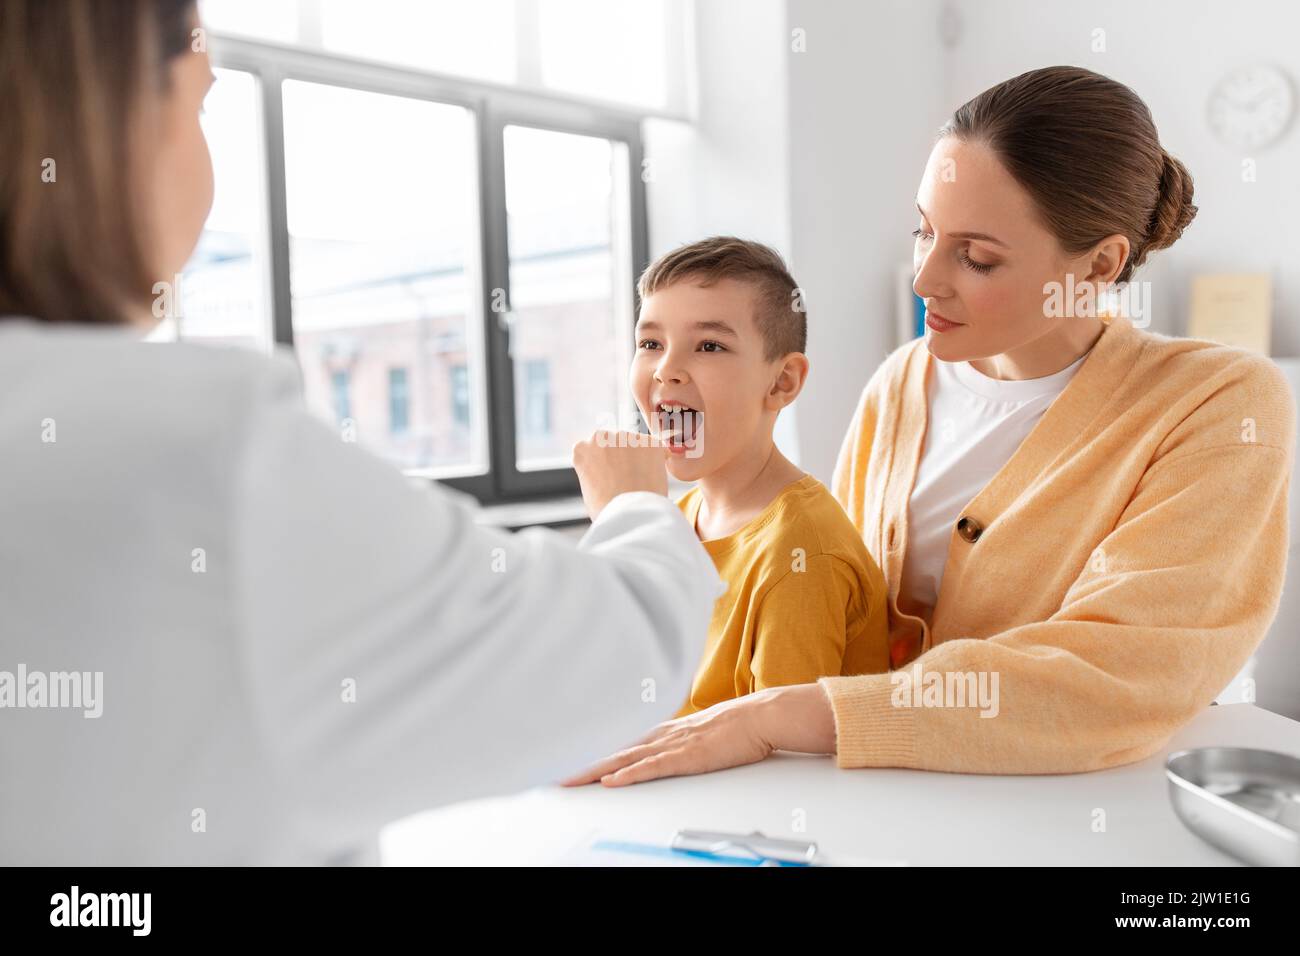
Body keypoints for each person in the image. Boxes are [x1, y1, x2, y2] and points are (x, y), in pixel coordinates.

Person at [0, 0, 721, 864]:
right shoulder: (210, 463)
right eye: (197, 107)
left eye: (709, 344)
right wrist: (639, 512)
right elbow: (627, 652)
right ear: (115, 125)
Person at [565, 65, 1295, 788]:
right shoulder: (901, 382)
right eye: (924, 232)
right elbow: (846, 613)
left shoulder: (1219, 402)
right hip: (892, 797)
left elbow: (1118, 672)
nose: (924, 279)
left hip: (1088, 808)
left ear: (1100, 263)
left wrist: (772, 717)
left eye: (975, 257)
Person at [628, 237, 889, 718]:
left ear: (782, 381)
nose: (666, 370)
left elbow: (785, 756)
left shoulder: (800, 552)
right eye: (650, 343)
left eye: (709, 345)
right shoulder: (678, 521)